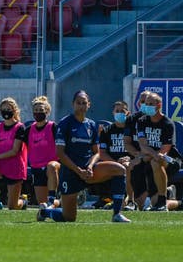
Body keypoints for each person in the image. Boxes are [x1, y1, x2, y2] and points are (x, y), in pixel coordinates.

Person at [38, 90, 131, 223]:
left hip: (88, 171)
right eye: (78, 103)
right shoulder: (65, 123)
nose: (81, 106)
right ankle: (45, 211)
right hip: (70, 172)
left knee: (119, 169)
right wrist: (78, 171)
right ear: (73, 104)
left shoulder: (91, 125)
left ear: (89, 105)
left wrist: (90, 166)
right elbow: (60, 153)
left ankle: (117, 213)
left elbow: (97, 152)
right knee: (69, 218)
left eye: (84, 103)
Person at [136, 92, 181, 211]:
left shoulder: (167, 123)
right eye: (146, 103)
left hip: (170, 160)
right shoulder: (142, 121)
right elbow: (143, 145)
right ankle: (174, 199)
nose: (147, 106)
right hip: (152, 158)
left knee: (156, 162)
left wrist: (152, 155)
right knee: (152, 202)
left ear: (159, 105)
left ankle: (162, 201)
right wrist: (153, 154)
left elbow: (165, 149)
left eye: (151, 104)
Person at [99, 101, 142, 210]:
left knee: (125, 166)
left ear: (128, 113)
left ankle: (131, 202)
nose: (119, 113)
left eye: (122, 111)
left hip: (131, 161)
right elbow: (102, 153)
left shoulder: (133, 129)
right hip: (113, 162)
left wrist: (131, 158)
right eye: (117, 111)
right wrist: (115, 162)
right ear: (113, 113)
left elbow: (140, 148)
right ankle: (110, 200)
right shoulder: (106, 131)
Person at [25, 96, 60, 207]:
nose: (38, 113)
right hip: (37, 167)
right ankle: (60, 202)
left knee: (51, 166)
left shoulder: (53, 127)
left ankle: (54, 197)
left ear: (47, 111)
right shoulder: (29, 129)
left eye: (41, 110)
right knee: (43, 204)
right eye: (36, 111)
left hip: (53, 166)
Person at [123, 90, 151, 210]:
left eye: (148, 102)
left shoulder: (159, 119)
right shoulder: (131, 119)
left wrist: (144, 157)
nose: (145, 104)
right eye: (143, 101)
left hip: (153, 157)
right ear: (138, 103)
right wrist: (137, 155)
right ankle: (130, 200)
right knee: (126, 165)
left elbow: (162, 147)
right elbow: (127, 143)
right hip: (138, 156)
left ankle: (163, 194)